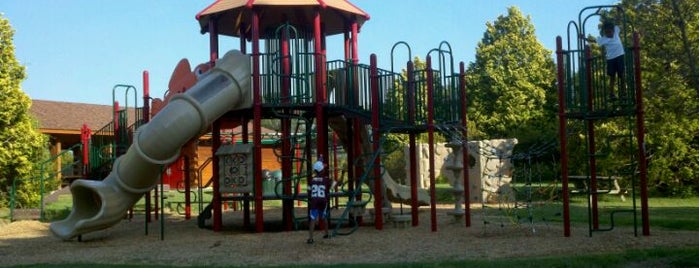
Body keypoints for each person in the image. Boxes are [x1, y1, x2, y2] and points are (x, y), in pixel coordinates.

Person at [584, 20, 625, 99]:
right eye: (606, 33)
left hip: (620, 56)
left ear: (613, 30)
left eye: (609, 32)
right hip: (611, 59)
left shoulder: (616, 32)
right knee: (612, 76)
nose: (608, 34)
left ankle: (623, 92)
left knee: (622, 75)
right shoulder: (604, 39)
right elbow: (594, 40)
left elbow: (619, 21)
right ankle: (611, 93)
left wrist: (619, 12)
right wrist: (584, 38)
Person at [307, 160, 331, 244]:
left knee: (313, 219)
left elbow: (309, 191)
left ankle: (310, 238)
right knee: (324, 217)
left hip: (314, 200)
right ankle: (326, 234)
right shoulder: (326, 179)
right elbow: (335, 185)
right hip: (323, 200)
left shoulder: (311, 180)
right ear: (322, 170)